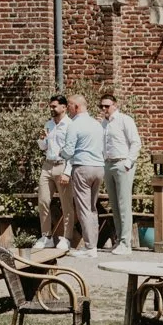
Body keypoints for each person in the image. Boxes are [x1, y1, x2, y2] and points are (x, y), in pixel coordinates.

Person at [60, 93, 105, 253]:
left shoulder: (74, 125)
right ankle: (93, 244)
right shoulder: (97, 124)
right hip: (99, 168)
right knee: (92, 207)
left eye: (70, 105)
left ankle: (90, 247)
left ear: (76, 107)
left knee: (83, 208)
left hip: (83, 167)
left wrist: (60, 152)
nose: (68, 108)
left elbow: (69, 151)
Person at [99, 91, 141, 254]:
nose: (104, 109)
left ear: (115, 105)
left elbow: (135, 142)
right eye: (102, 106)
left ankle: (126, 243)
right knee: (114, 205)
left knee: (124, 204)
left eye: (107, 106)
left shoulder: (125, 120)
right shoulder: (104, 123)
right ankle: (119, 240)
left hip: (122, 163)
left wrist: (128, 163)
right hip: (108, 164)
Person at [36, 95, 70, 248]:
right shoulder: (48, 124)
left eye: (55, 106)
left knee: (66, 203)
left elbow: (72, 151)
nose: (52, 109)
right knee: (43, 201)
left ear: (64, 107)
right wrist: (42, 139)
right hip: (47, 165)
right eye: (50, 106)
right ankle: (46, 236)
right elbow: (43, 147)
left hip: (62, 165)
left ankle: (67, 237)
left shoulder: (70, 125)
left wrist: (68, 171)